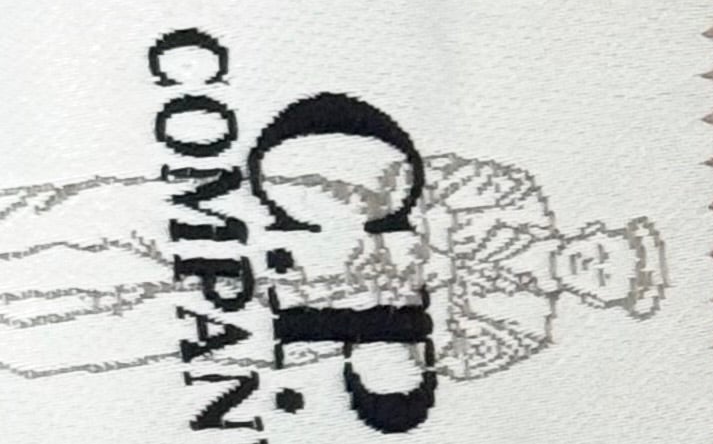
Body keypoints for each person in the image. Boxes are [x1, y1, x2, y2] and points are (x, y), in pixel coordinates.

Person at [0, 153, 665, 382]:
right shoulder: (514, 193)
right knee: (139, 219)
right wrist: (425, 270)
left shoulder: (525, 327)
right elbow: (413, 177)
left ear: (597, 299)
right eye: (608, 252)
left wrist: (425, 260)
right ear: (599, 231)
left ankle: (18, 349)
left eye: (606, 279)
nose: (595, 265)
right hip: (318, 225)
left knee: (154, 331)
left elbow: (445, 357)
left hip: (327, 320)